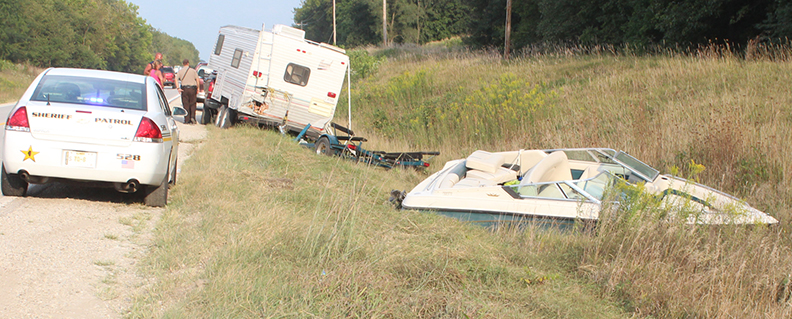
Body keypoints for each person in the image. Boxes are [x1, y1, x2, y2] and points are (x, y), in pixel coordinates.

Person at [176, 59, 200, 124]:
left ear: (183, 64)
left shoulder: (180, 71)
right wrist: (198, 88)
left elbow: (176, 79)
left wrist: (178, 88)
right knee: (192, 103)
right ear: (188, 63)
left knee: (185, 104)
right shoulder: (193, 71)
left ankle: (186, 119)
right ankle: (192, 117)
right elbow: (197, 80)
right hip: (192, 88)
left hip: (184, 89)